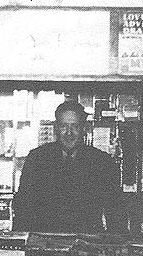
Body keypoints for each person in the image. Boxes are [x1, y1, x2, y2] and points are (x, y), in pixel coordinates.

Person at [13, 100, 126, 233]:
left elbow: (115, 212)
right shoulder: (38, 159)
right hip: (45, 242)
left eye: (75, 127)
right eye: (63, 126)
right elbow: (23, 207)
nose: (69, 133)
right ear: (56, 128)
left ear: (84, 129)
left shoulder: (102, 162)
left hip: (87, 244)